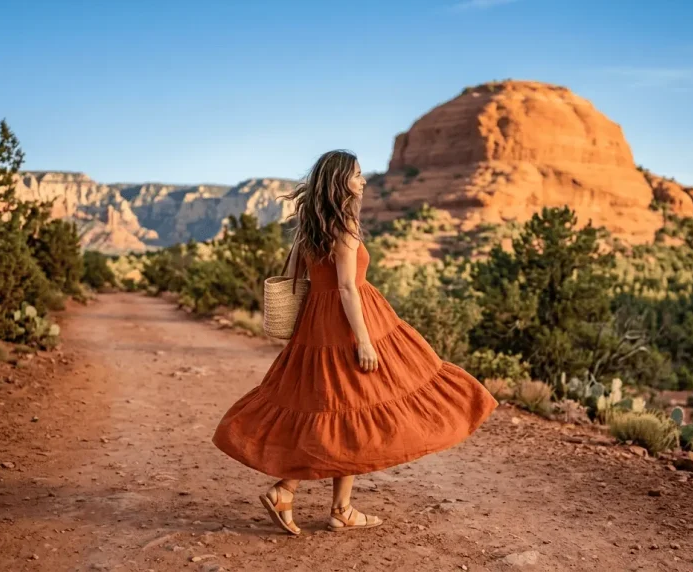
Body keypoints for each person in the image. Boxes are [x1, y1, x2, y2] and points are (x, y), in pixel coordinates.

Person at [211, 150, 498, 535]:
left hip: (316, 325)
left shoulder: (309, 226)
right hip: (347, 324)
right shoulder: (344, 227)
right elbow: (347, 288)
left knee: (337, 410)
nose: (364, 181)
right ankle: (318, 500)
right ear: (340, 180)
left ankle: (315, 500)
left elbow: (299, 276)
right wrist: (364, 342)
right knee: (353, 409)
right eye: (358, 175)